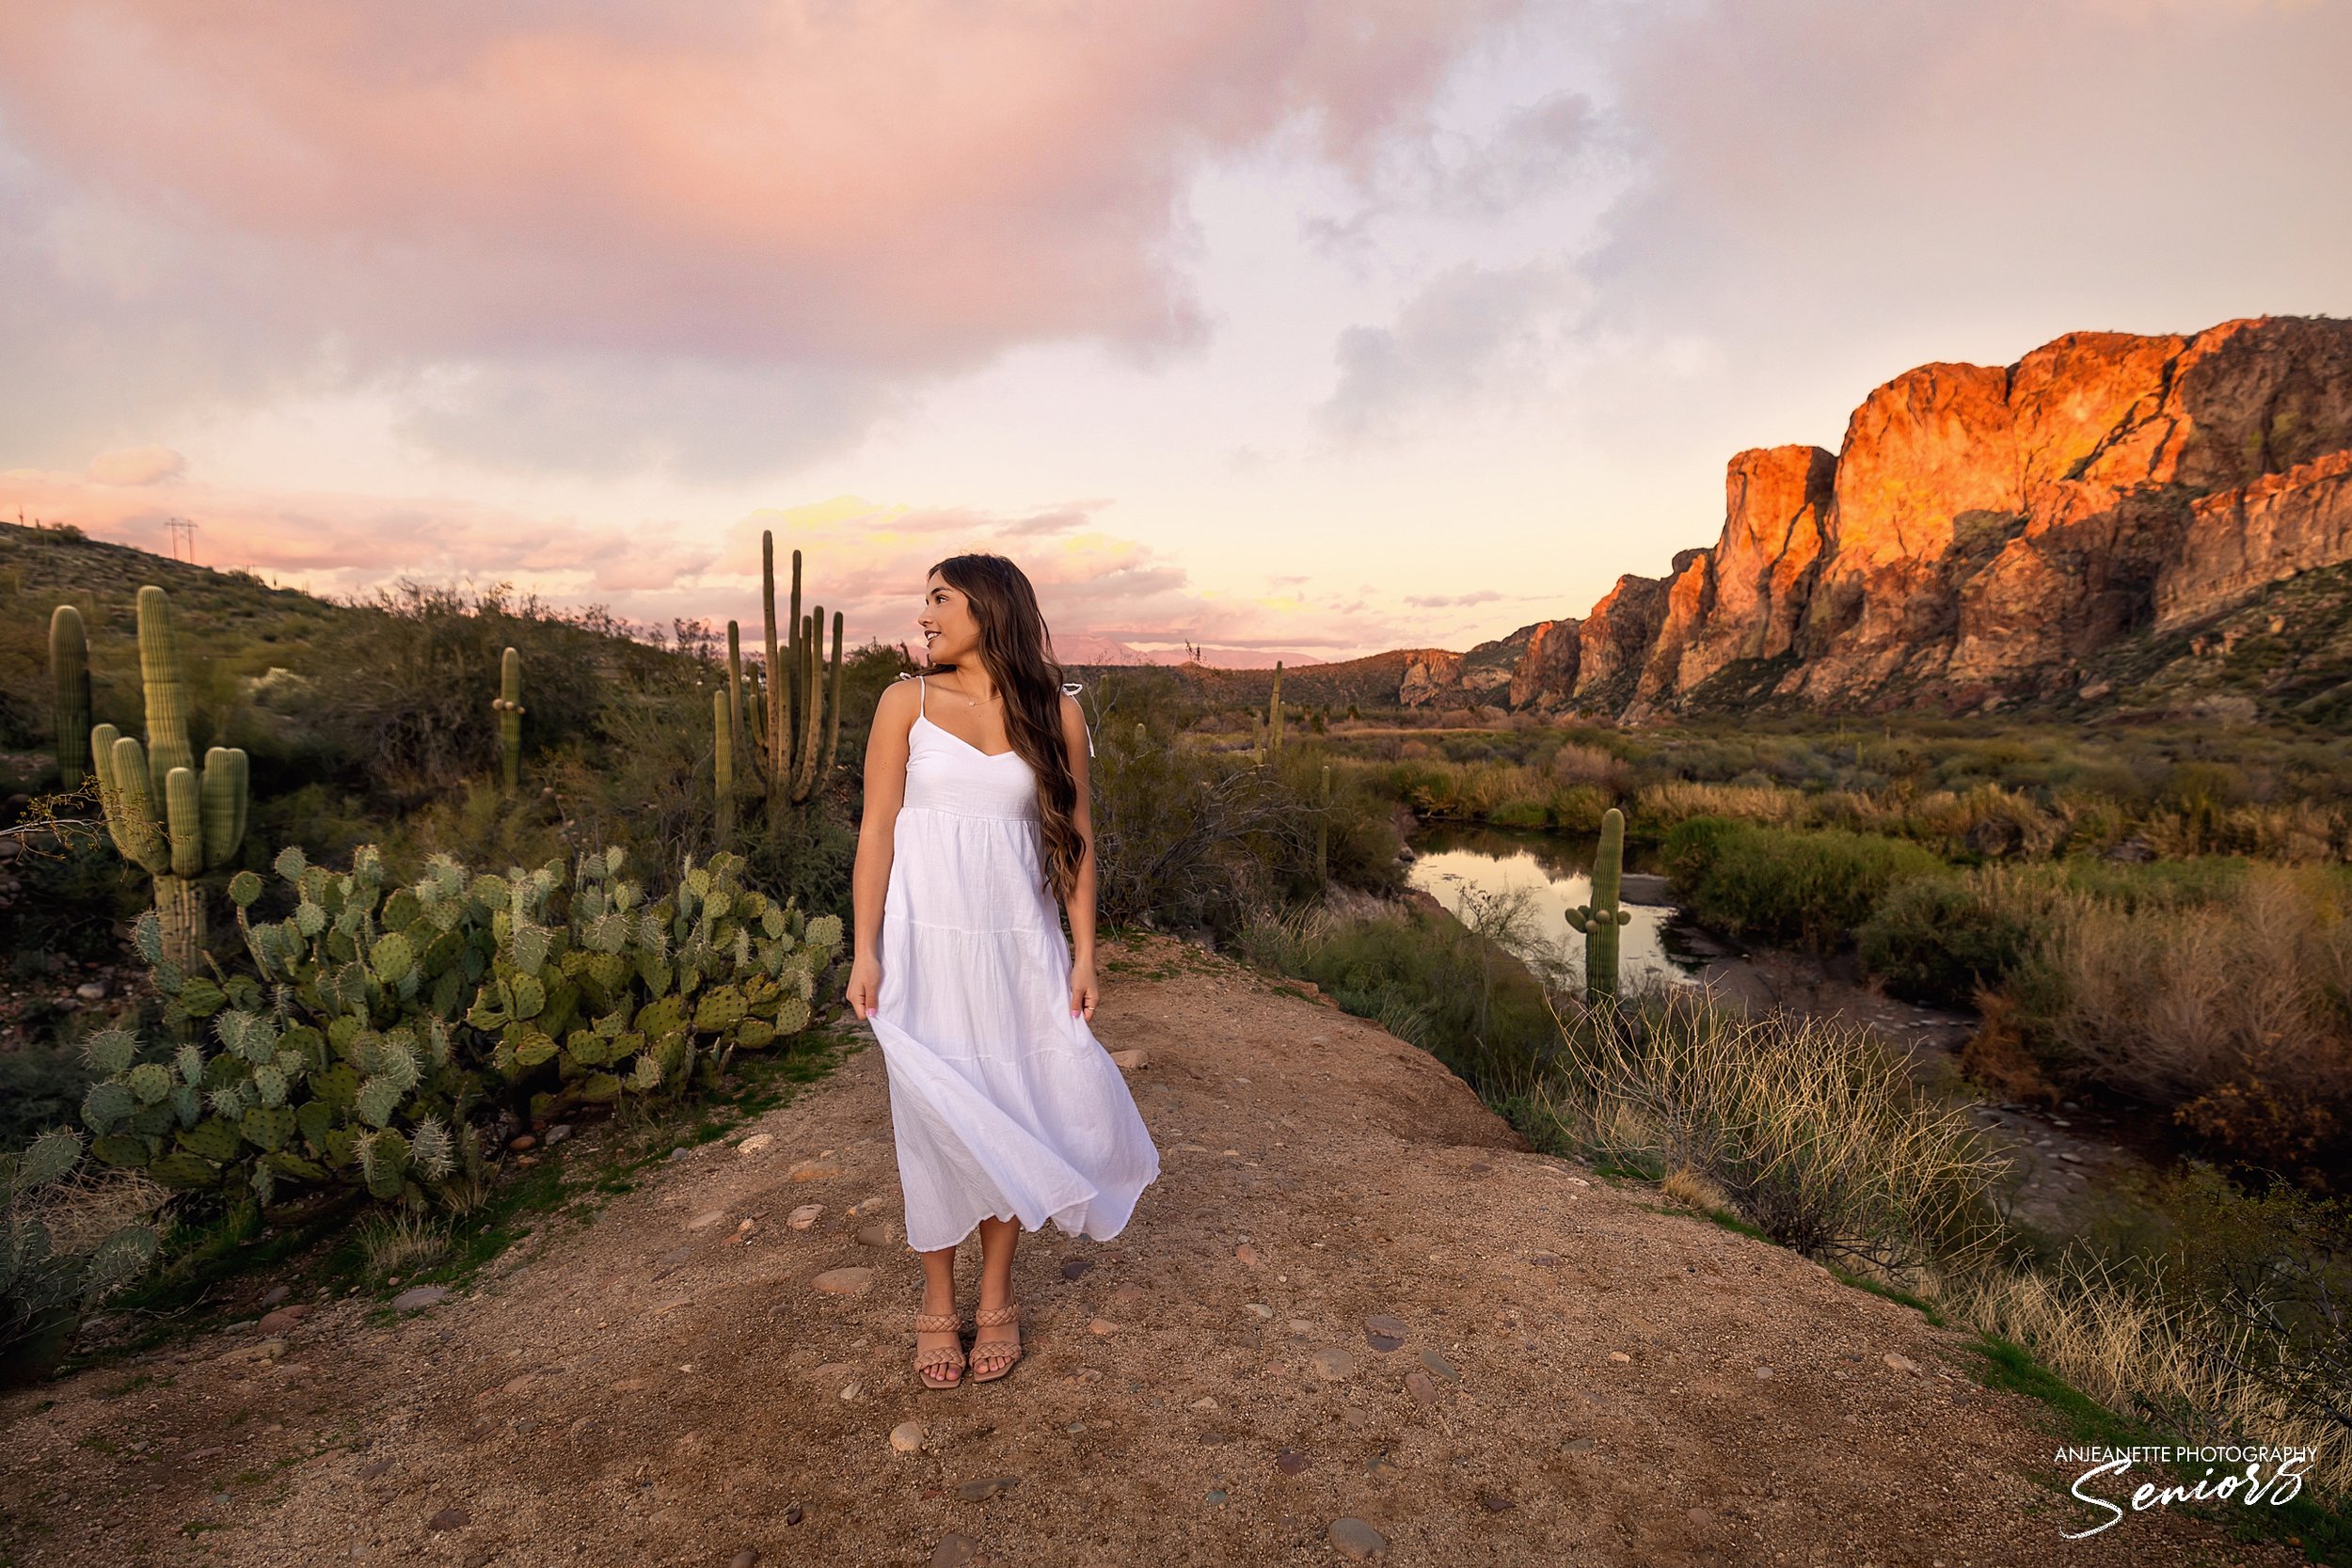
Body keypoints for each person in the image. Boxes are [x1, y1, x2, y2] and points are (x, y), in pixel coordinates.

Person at [845, 552, 1162, 1390]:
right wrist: (866, 945)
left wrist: (1085, 951)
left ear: (989, 607)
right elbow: (876, 831)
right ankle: (935, 1301)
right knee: (935, 1118)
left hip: (1017, 946)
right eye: (924, 600)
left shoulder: (1053, 714)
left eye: (939, 599)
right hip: (923, 944)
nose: (924, 615)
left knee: (1008, 1107)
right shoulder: (902, 703)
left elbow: (1075, 841)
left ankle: (996, 1297)